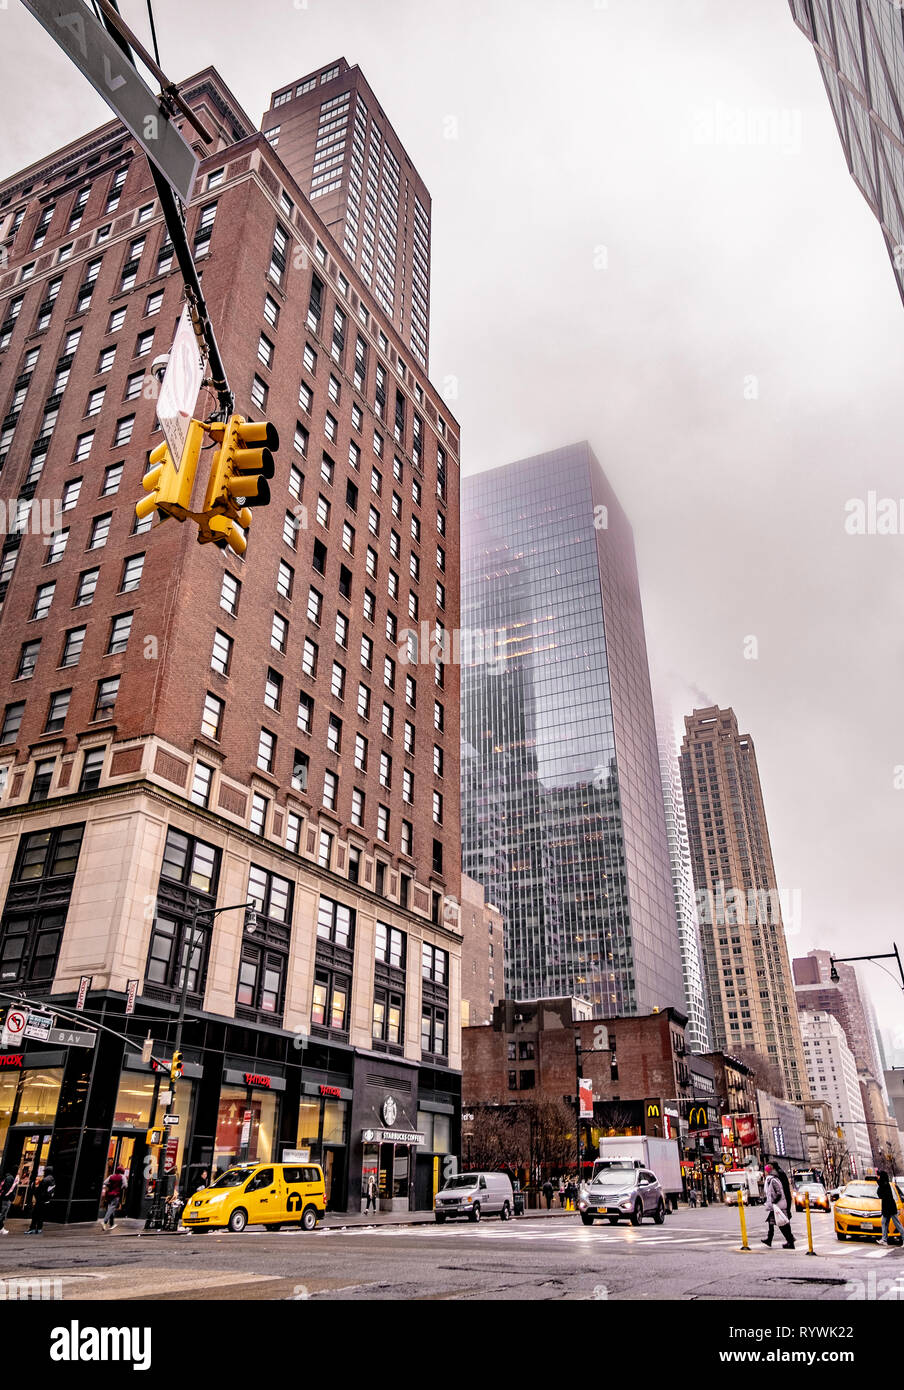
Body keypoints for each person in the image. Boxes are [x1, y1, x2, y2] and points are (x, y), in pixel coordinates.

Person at [761, 1163, 794, 1248]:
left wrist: (774, 1202)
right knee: (772, 1222)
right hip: (778, 1205)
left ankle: (790, 1241)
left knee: (782, 1224)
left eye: (765, 1171)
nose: (764, 1172)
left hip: (779, 1205)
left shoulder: (773, 1180)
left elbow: (779, 1193)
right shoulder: (775, 1177)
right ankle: (770, 1239)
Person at [877, 1171, 904, 1246]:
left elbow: (880, 1195)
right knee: (884, 1222)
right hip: (886, 1206)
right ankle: (884, 1239)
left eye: (878, 1176)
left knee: (897, 1224)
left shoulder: (884, 1184)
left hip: (890, 1207)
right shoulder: (884, 1184)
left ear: (881, 1177)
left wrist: (878, 1182)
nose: (877, 1177)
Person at [26, 1166, 55, 1235]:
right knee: (41, 1215)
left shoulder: (45, 1180)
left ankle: (32, 1228)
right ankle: (39, 1228)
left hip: (40, 1200)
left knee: (35, 1214)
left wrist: (33, 1188)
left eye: (45, 1171)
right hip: (46, 1200)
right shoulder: (52, 1179)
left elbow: (39, 1191)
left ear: (47, 1172)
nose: (44, 1172)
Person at [100, 1166, 125, 1231]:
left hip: (109, 1194)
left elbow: (105, 1182)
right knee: (112, 1207)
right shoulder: (122, 1176)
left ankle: (112, 1224)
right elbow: (125, 1185)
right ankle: (105, 1221)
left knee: (111, 1208)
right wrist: (120, 1187)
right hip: (116, 1194)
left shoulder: (111, 1176)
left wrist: (110, 1185)